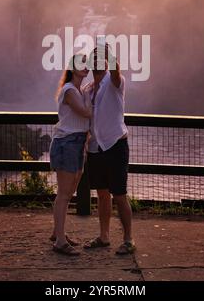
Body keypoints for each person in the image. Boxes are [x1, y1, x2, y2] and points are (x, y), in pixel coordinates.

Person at [83, 44, 136, 255]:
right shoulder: (87, 89)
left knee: (120, 194)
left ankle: (128, 239)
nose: (96, 62)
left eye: (100, 59)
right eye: (93, 59)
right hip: (96, 147)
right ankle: (104, 237)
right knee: (102, 194)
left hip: (115, 144)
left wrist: (111, 56)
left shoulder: (115, 83)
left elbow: (116, 72)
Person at [49, 54, 92, 256]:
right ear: (73, 68)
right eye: (81, 64)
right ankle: (59, 241)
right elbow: (85, 112)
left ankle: (58, 232)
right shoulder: (69, 91)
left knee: (70, 190)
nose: (86, 67)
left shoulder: (79, 90)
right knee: (64, 193)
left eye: (87, 64)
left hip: (77, 143)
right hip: (66, 143)